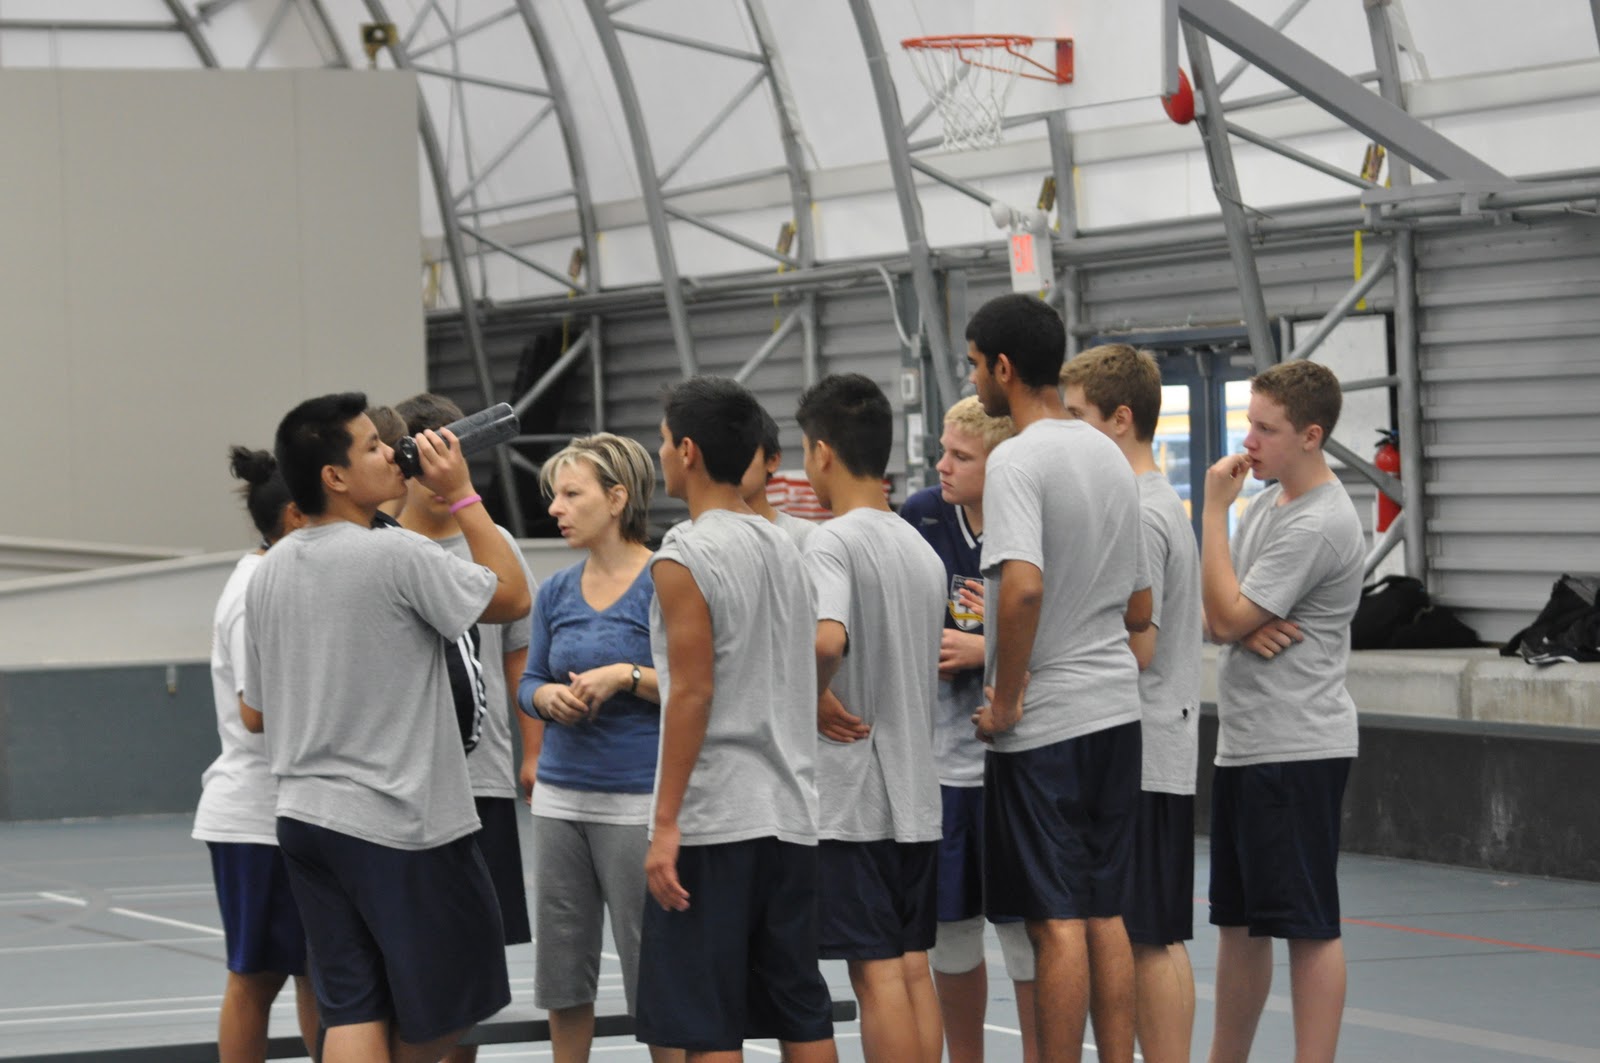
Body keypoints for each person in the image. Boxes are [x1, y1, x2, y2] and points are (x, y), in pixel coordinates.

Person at [241, 392, 530, 1063]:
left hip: (307, 817)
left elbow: (256, 704)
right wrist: (460, 494)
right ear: (334, 476)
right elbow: (513, 593)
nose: (393, 451)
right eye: (374, 445)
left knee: (354, 1004)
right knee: (441, 1006)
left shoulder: (271, 568)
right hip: (399, 819)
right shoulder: (395, 555)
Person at [964, 293, 1150, 1063]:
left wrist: (1007, 700)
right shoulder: (1107, 451)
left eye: (974, 363)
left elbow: (1026, 586)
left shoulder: (1016, 458)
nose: (972, 376)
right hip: (1115, 710)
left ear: (1003, 369)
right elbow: (1141, 601)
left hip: (1049, 727)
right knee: (1105, 910)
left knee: (1055, 919)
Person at [635, 376, 838, 1063]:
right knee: (800, 1008)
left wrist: (665, 823)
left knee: (708, 1020)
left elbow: (690, 692)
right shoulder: (786, 544)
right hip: (790, 808)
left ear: (687, 450)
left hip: (717, 815)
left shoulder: (683, 554)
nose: (659, 453)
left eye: (663, 441)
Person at [1199, 360, 1363, 1063]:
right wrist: (1234, 617)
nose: (1249, 441)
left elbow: (1227, 610)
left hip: (1297, 745)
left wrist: (1210, 511)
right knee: (1238, 923)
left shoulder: (1321, 521)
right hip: (1245, 742)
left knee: (1308, 924)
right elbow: (1217, 617)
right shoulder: (1268, 507)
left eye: (1266, 428)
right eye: (1248, 423)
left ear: (1310, 435)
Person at [517, 432, 681, 1063]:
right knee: (562, 970)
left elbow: (696, 686)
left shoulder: (664, 581)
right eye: (553, 496)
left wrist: (627, 677)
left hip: (636, 802)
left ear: (617, 499)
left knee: (652, 970)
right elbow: (529, 680)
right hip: (560, 800)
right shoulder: (555, 591)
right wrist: (543, 701)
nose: (556, 508)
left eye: (569, 493)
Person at [797, 373, 946, 1063]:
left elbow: (828, 639)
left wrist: (806, 693)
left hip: (856, 796)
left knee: (874, 968)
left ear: (822, 452)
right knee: (912, 963)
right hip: (917, 791)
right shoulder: (920, 546)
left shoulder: (832, 543)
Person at [1061, 346, 1203, 1063]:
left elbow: (1134, 645)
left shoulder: (1141, 512)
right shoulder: (1155, 502)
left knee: (1146, 935)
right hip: (1159, 742)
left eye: (1078, 415)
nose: (1067, 428)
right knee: (1157, 933)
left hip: (1144, 747)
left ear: (1121, 420)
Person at [392, 393, 540, 1063]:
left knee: (471, 975)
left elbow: (518, 652)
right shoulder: (381, 544)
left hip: (479, 784)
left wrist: (531, 756)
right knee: (400, 966)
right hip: (401, 790)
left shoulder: (493, 544)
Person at [900, 396, 1039, 1063]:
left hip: (1021, 759)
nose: (942, 465)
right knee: (951, 932)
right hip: (945, 764)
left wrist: (987, 646)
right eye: (942, 451)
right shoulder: (922, 515)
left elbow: (1072, 629)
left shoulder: (1032, 519)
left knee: (1026, 932)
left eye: (962, 455)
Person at [192, 446, 317, 1063]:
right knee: (257, 976)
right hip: (254, 820)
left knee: (321, 971)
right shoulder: (253, 588)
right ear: (296, 517)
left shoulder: (287, 576)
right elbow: (256, 711)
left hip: (299, 811)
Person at [738, 405, 816, 548]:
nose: (730, 462)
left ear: (772, 461)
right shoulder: (694, 538)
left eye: (744, 452)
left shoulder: (805, 537)